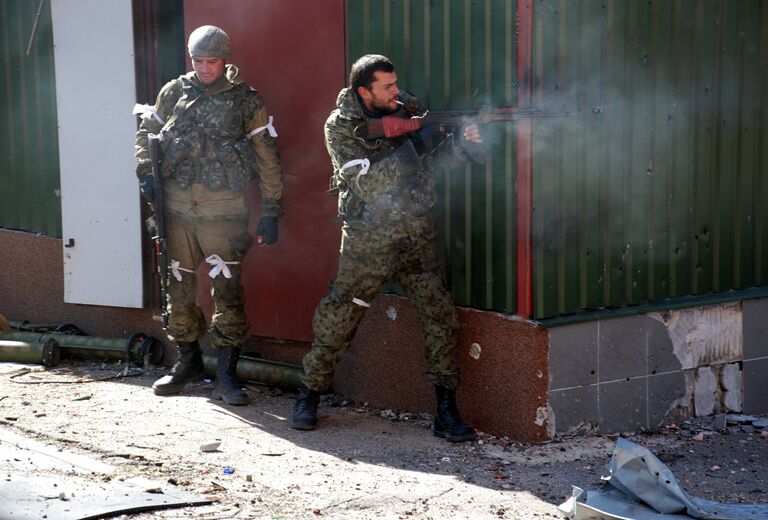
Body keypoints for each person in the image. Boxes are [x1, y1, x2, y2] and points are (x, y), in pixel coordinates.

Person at [290, 54, 485, 442]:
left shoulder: (408, 108)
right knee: (340, 315)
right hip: (369, 239)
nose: (397, 92)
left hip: (417, 232)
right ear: (364, 91)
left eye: (396, 84)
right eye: (387, 87)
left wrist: (464, 145)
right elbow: (370, 185)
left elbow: (439, 162)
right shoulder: (341, 126)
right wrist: (420, 145)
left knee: (440, 318)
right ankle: (308, 394)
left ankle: (446, 411)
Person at [134, 25, 283, 405]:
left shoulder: (245, 101)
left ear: (225, 59)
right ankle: (188, 361)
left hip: (223, 210)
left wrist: (271, 210)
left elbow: (267, 158)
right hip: (176, 208)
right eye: (198, 61)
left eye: (211, 61)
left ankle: (227, 374)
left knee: (226, 291)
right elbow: (147, 132)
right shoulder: (173, 92)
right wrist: (146, 175)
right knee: (177, 287)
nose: (203, 68)